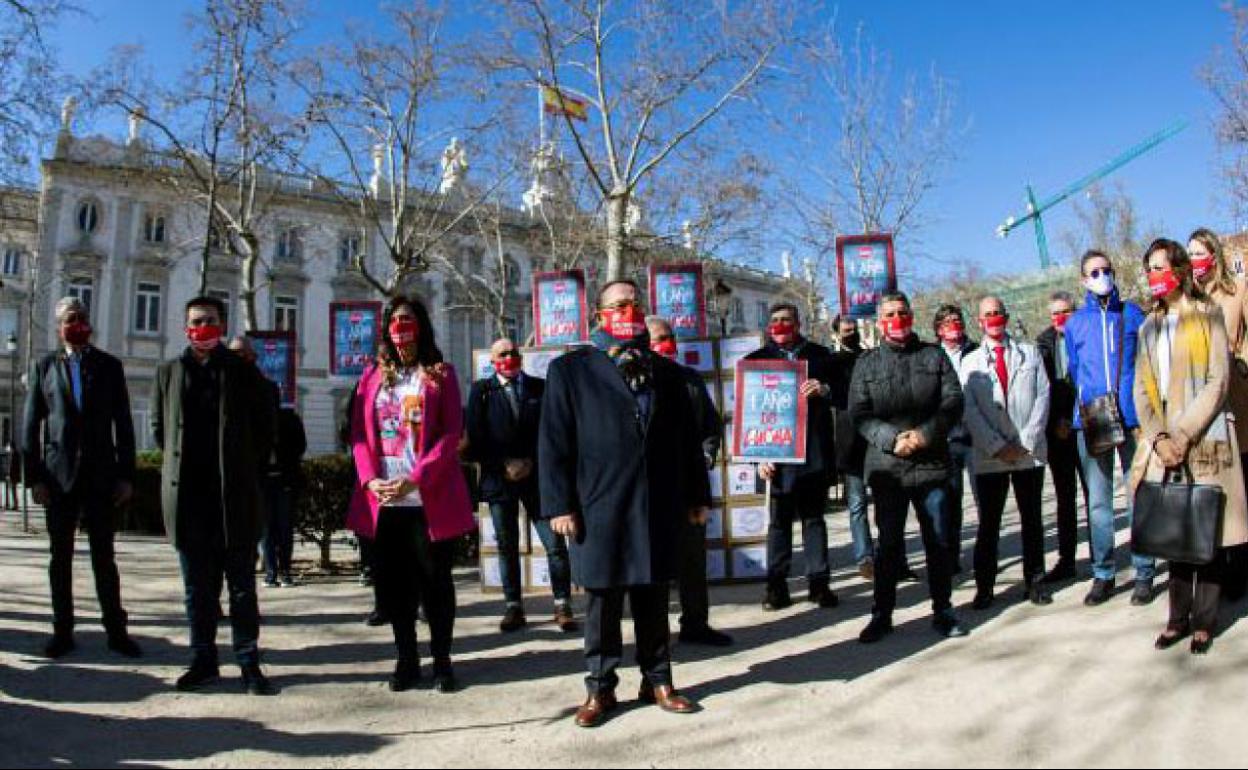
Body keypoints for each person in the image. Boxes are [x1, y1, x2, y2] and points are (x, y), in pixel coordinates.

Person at [539, 279, 710, 728]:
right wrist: (559, 505)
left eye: (634, 304)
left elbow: (687, 440)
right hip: (598, 503)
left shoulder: (667, 372)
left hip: (656, 502)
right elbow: (553, 442)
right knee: (602, 600)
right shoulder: (569, 370)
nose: (627, 311)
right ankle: (600, 688)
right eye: (617, 305)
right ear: (598, 315)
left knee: (654, 594)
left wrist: (697, 495)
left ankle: (658, 680)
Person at [347, 295, 475, 693]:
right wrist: (369, 479)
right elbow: (356, 435)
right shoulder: (370, 377)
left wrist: (416, 478)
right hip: (384, 501)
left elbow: (451, 433)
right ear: (385, 329)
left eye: (408, 319)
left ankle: (442, 663)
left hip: (427, 498)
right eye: (394, 320)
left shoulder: (441, 374)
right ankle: (406, 660)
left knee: (436, 583)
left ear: (420, 325)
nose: (400, 326)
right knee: (395, 586)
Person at [152, 296, 277, 694]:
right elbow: (160, 428)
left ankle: (248, 663)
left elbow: (265, 428)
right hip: (189, 502)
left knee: (241, 588)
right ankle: (203, 659)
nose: (201, 326)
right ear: (185, 325)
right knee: (197, 590)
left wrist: (242, 467)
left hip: (234, 500)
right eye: (194, 321)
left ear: (221, 325)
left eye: (209, 320)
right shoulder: (169, 372)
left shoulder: (242, 372)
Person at [1131, 238, 1247, 655]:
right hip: (1164, 444)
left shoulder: (1208, 315)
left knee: (1207, 534)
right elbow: (1141, 390)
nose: (1153, 275)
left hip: (1206, 437)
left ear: (1180, 270)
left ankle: (1204, 622)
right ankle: (1176, 619)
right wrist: (1160, 438)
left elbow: (1218, 381)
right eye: (1149, 269)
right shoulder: (1148, 326)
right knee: (1175, 535)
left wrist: (1182, 434)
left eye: (1160, 266)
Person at [21, 297, 140, 660]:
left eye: (84, 317)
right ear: (60, 326)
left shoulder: (109, 366)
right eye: (72, 319)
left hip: (102, 478)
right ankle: (62, 631)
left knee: (104, 557)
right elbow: (30, 428)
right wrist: (35, 479)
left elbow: (124, 423)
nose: (79, 323)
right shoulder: (45, 367)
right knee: (61, 558)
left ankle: (116, 631)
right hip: (58, 480)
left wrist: (126, 475)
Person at [850, 292, 968, 644]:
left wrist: (925, 434)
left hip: (931, 464)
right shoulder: (867, 363)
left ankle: (943, 610)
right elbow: (858, 412)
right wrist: (891, 439)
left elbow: (953, 401)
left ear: (912, 315)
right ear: (879, 320)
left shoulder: (933, 355)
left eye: (902, 312)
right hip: (889, 469)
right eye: (890, 314)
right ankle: (882, 614)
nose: (897, 318)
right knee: (888, 546)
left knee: (939, 541)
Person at [465, 338, 576, 634]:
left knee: (554, 545)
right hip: (499, 480)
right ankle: (513, 606)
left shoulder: (540, 387)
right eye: (503, 353)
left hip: (538, 479)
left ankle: (562, 604)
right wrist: (504, 464)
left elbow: (551, 432)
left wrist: (530, 462)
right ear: (492, 359)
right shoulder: (481, 391)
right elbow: (476, 437)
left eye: (514, 352)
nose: (510, 356)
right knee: (506, 546)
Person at [1065, 250, 1154, 606]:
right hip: (1092, 418)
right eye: (1093, 272)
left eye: (1105, 270)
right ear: (1084, 280)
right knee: (1099, 502)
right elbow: (1074, 368)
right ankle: (1103, 573)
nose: (1101, 275)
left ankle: (1144, 571)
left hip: (1132, 418)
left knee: (1138, 497)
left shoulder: (1131, 314)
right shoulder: (1075, 323)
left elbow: (1147, 362)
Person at [746, 303, 842, 611]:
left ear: (798, 323)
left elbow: (845, 395)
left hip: (812, 453)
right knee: (779, 524)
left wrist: (825, 388)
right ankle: (776, 587)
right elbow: (748, 416)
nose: (780, 325)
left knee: (814, 520)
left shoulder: (822, 356)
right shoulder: (755, 361)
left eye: (786, 320)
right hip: (775, 456)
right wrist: (757, 457)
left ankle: (819, 584)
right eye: (774, 320)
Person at [959, 296, 1053, 608]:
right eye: (988, 314)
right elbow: (969, 410)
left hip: (1028, 452)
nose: (994, 318)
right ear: (979, 321)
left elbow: (1042, 396)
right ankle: (985, 586)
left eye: (998, 313)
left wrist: (1025, 441)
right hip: (990, 456)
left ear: (1007, 316)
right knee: (989, 524)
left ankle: (1036, 581)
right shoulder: (969, 362)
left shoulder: (1030, 353)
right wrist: (998, 446)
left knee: (1032, 520)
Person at [648, 316, 733, 647]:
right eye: (657, 339)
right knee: (652, 565)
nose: (665, 344)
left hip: (688, 486)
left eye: (669, 337)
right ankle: (653, 637)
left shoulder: (691, 379)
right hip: (650, 489)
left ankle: (695, 624)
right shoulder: (633, 382)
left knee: (692, 561)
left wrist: (706, 455)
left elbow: (711, 426)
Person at [1188, 227, 1248, 601]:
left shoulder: (1235, 291)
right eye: (1190, 254)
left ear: (1214, 254)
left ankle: (1241, 570)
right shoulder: (1189, 300)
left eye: (1200, 253)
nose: (1196, 260)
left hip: (1239, 401)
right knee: (1215, 491)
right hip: (1202, 409)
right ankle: (1220, 569)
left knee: (1241, 492)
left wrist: (1240, 363)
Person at [228, 337, 307, 588]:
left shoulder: (285, 417)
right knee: (264, 529)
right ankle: (270, 572)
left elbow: (298, 445)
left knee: (282, 527)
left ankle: (283, 570)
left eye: (244, 354)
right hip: (254, 477)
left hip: (281, 478)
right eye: (235, 354)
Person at [1036, 292, 1088, 584]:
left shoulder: (1084, 335)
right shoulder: (1042, 345)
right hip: (1057, 432)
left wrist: (1075, 417)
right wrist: (1057, 421)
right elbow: (1043, 389)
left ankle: (1099, 557)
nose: (1060, 318)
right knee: (1065, 498)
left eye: (1066, 311)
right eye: (1055, 312)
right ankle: (1066, 560)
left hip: (1085, 424)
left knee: (1094, 495)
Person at [933, 304, 978, 574]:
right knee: (949, 502)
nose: (953, 325)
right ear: (938, 329)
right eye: (947, 322)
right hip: (946, 438)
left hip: (975, 435)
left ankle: (987, 552)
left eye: (957, 320)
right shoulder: (932, 356)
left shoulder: (976, 351)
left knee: (984, 497)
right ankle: (950, 557)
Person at [831, 315, 875, 579]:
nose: (851, 334)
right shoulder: (831, 362)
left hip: (874, 439)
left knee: (885, 503)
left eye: (853, 330)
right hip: (849, 441)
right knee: (857, 503)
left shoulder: (869, 357)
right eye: (846, 331)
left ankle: (891, 554)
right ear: (837, 334)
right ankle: (864, 557)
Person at [4, 439, 19, 510]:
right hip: (13, 475)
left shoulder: (12, 455)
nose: (7, 448)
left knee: (13, 491)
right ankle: (12, 504)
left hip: (12, 475)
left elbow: (11, 466)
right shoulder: (13, 454)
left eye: (8, 446)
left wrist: (8, 474)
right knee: (12, 491)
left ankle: (15, 505)